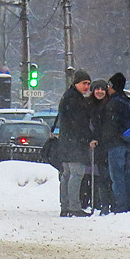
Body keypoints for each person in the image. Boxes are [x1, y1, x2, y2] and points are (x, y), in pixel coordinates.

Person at [56, 69, 92, 217]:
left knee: (67, 175)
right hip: (75, 143)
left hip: (66, 142)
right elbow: (79, 123)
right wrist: (88, 137)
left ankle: (65, 206)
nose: (87, 87)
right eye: (84, 83)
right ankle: (74, 207)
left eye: (89, 84)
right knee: (76, 174)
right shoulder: (75, 100)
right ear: (76, 83)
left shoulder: (67, 97)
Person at [104, 72, 130, 214]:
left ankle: (120, 206)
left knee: (117, 176)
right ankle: (129, 204)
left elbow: (109, 126)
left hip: (116, 144)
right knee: (126, 175)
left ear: (113, 86)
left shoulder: (113, 103)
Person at [87, 79, 114, 215]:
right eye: (97, 89)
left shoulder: (109, 106)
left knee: (107, 176)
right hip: (96, 146)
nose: (100, 92)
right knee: (100, 176)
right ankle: (101, 203)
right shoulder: (88, 106)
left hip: (107, 144)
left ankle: (108, 203)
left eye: (102, 89)